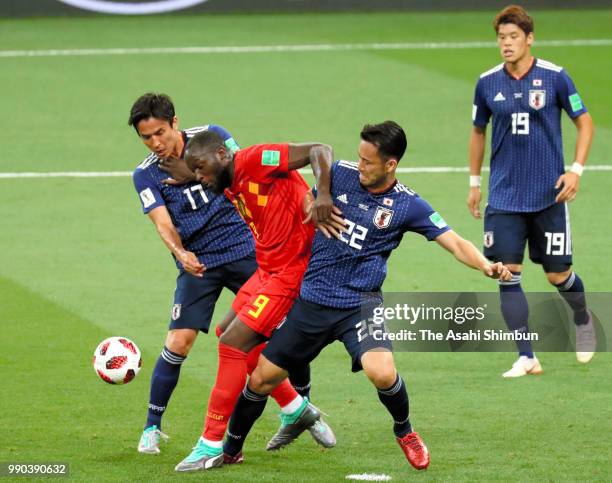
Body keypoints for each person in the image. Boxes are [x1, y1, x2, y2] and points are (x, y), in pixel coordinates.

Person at [213, 121, 512, 472]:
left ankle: (406, 432)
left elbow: (454, 241)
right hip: (313, 299)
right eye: (360, 157)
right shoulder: (339, 174)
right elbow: (309, 192)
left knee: (382, 373)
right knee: (262, 379)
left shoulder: (407, 205)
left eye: (369, 161)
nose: (361, 166)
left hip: (361, 304)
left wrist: (486, 266)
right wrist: (315, 205)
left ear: (391, 164)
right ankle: (230, 449)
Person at [128, 93, 324, 456]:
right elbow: (162, 222)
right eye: (146, 138)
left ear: (175, 123)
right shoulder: (144, 174)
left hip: (245, 249)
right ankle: (152, 427)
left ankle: (298, 406)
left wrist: (192, 173)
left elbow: (241, 169)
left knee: (275, 332)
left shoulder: (213, 138)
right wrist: (179, 252)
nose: (155, 143)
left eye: (159, 133)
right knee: (179, 342)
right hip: (199, 262)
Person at [172, 130, 344, 471]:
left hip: (290, 273)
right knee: (227, 334)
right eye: (196, 174)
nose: (201, 178)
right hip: (267, 269)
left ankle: (210, 444)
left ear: (222, 154)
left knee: (234, 345)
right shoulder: (227, 180)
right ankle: (296, 408)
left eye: (203, 169)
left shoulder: (256, 159)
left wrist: (322, 194)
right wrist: (189, 171)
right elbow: (207, 176)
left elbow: (319, 149)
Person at [467, 5, 596, 378]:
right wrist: (474, 182)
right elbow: (478, 131)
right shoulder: (487, 82)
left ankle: (582, 318)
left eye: (513, 37)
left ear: (529, 39)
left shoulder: (556, 77)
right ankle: (527, 355)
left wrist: (575, 170)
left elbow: (584, 123)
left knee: (559, 275)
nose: (506, 44)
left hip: (548, 195)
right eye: (501, 38)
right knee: (506, 272)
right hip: (504, 197)